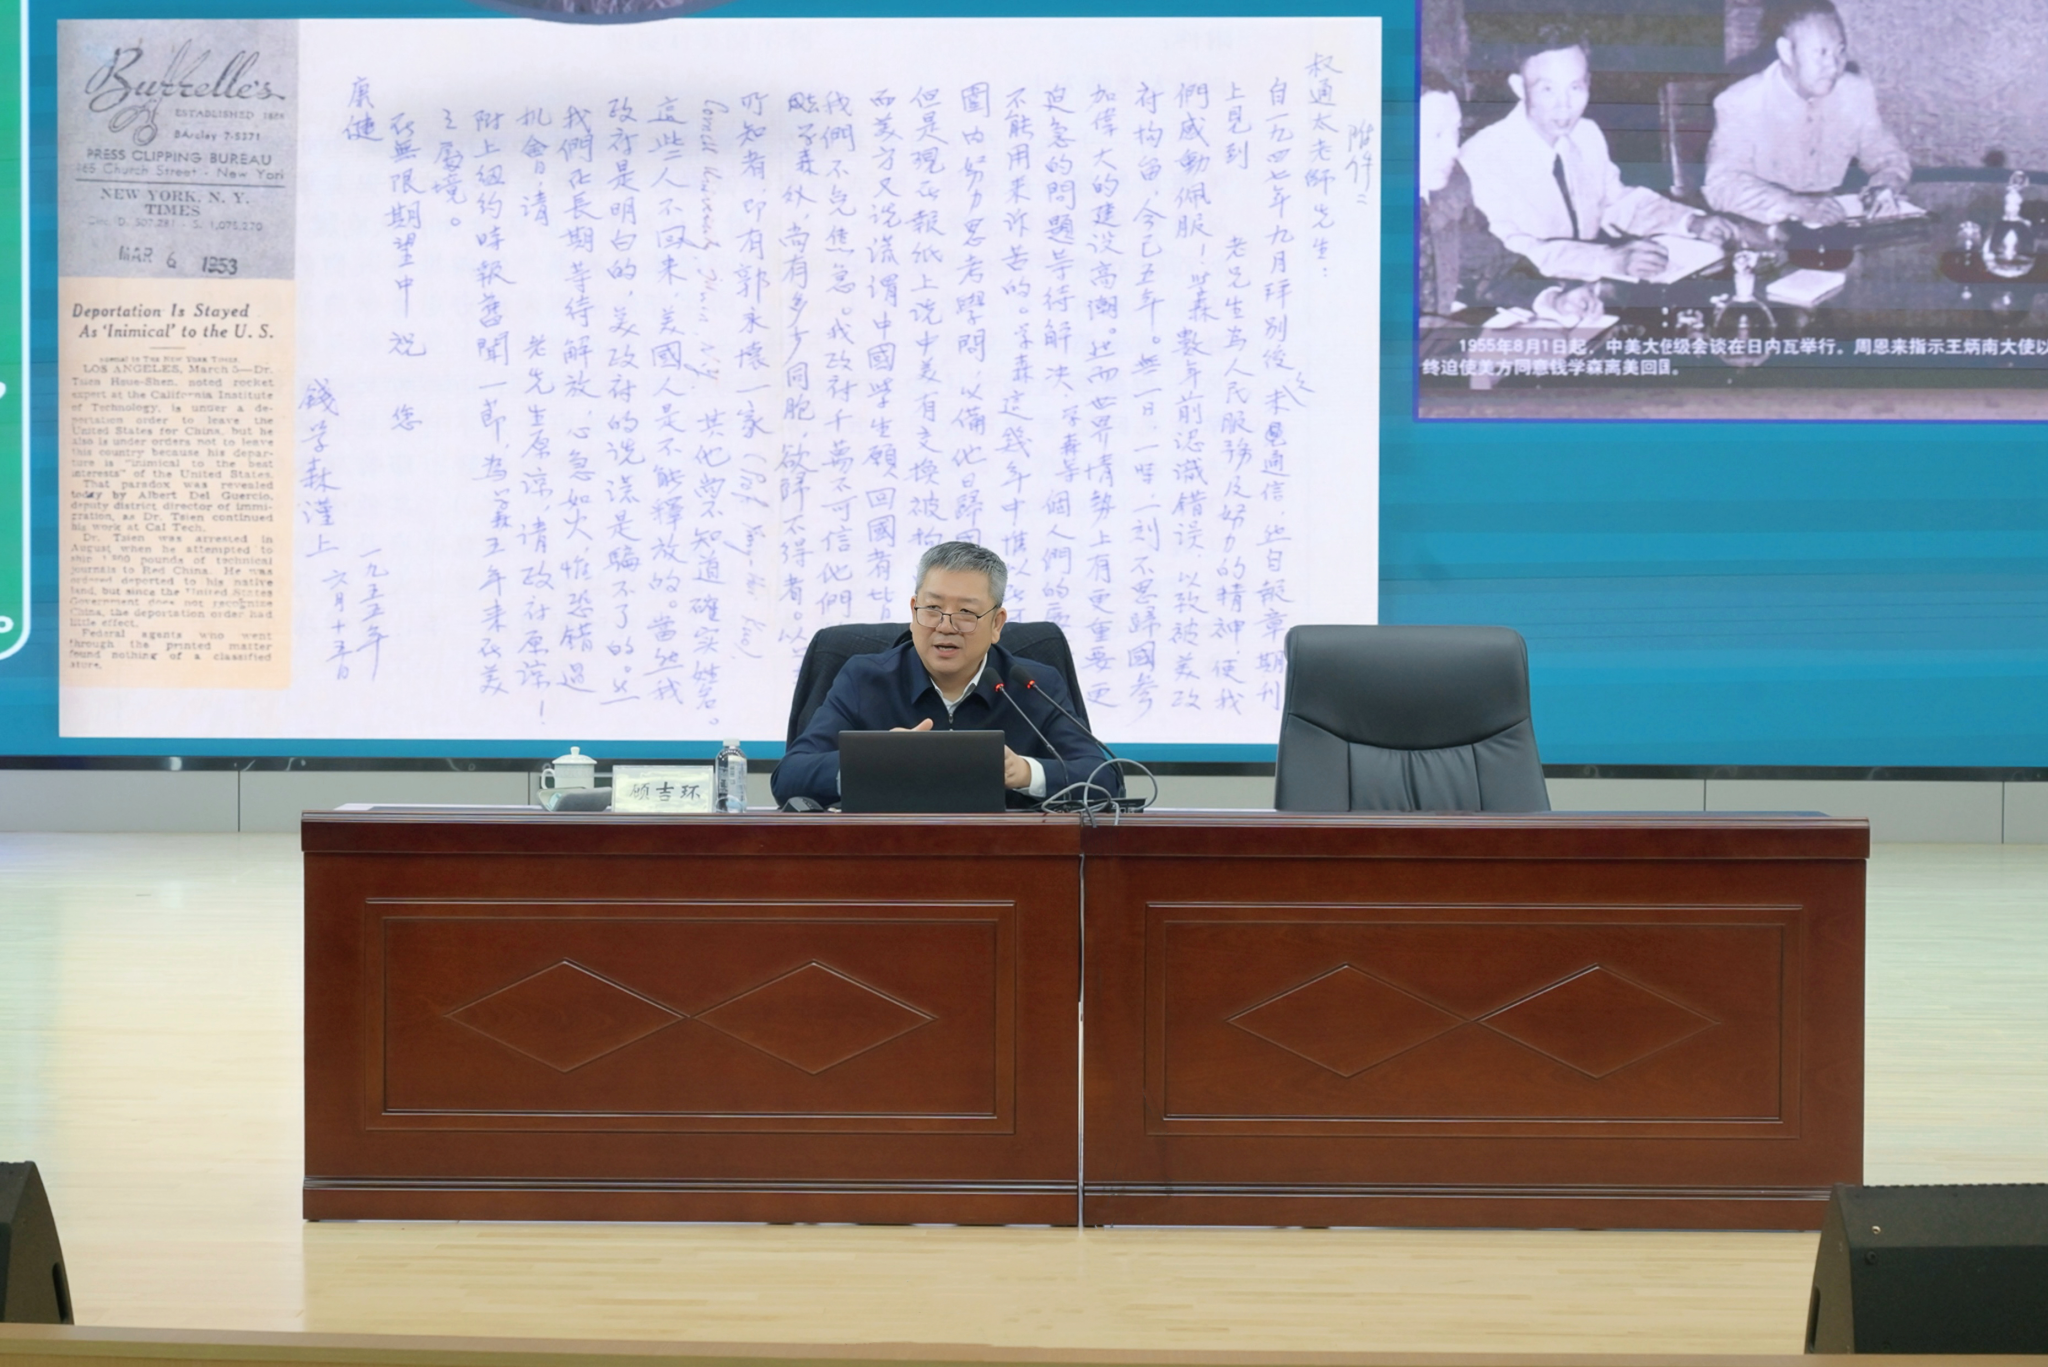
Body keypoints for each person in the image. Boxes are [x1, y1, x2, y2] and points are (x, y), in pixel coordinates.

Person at [772, 541, 1116, 809]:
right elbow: (788, 777)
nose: (946, 626)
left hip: (1004, 859)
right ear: (913, 611)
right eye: (933, 608)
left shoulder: (1031, 685)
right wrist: (872, 763)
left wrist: (1023, 772)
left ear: (996, 624)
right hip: (887, 855)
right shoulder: (864, 679)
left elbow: (1106, 780)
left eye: (966, 612)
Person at [1459, 25, 1750, 282]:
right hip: (1526, 297)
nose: (1564, 105)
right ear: (1519, 87)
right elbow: (1506, 252)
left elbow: (1617, 203)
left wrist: (1690, 222)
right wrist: (1606, 259)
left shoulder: (1586, 134)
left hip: (1587, 294)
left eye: (1575, 87)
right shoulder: (1482, 156)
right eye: (1547, 89)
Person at [1703, 0, 1911, 227]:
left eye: (1840, 51)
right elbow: (1721, 185)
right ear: (1787, 52)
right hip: (1764, 229)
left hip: (1835, 228)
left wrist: (1884, 186)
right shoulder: (1741, 101)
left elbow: (1888, 155)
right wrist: (1793, 205)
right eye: (1821, 53)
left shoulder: (1854, 91)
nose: (1833, 66)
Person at [1418, 70, 1602, 325]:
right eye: (1437, 134)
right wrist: (1485, 342)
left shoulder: (1450, 187)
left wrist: (1550, 298)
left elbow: (1489, 265)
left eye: (1455, 130)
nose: (1453, 148)